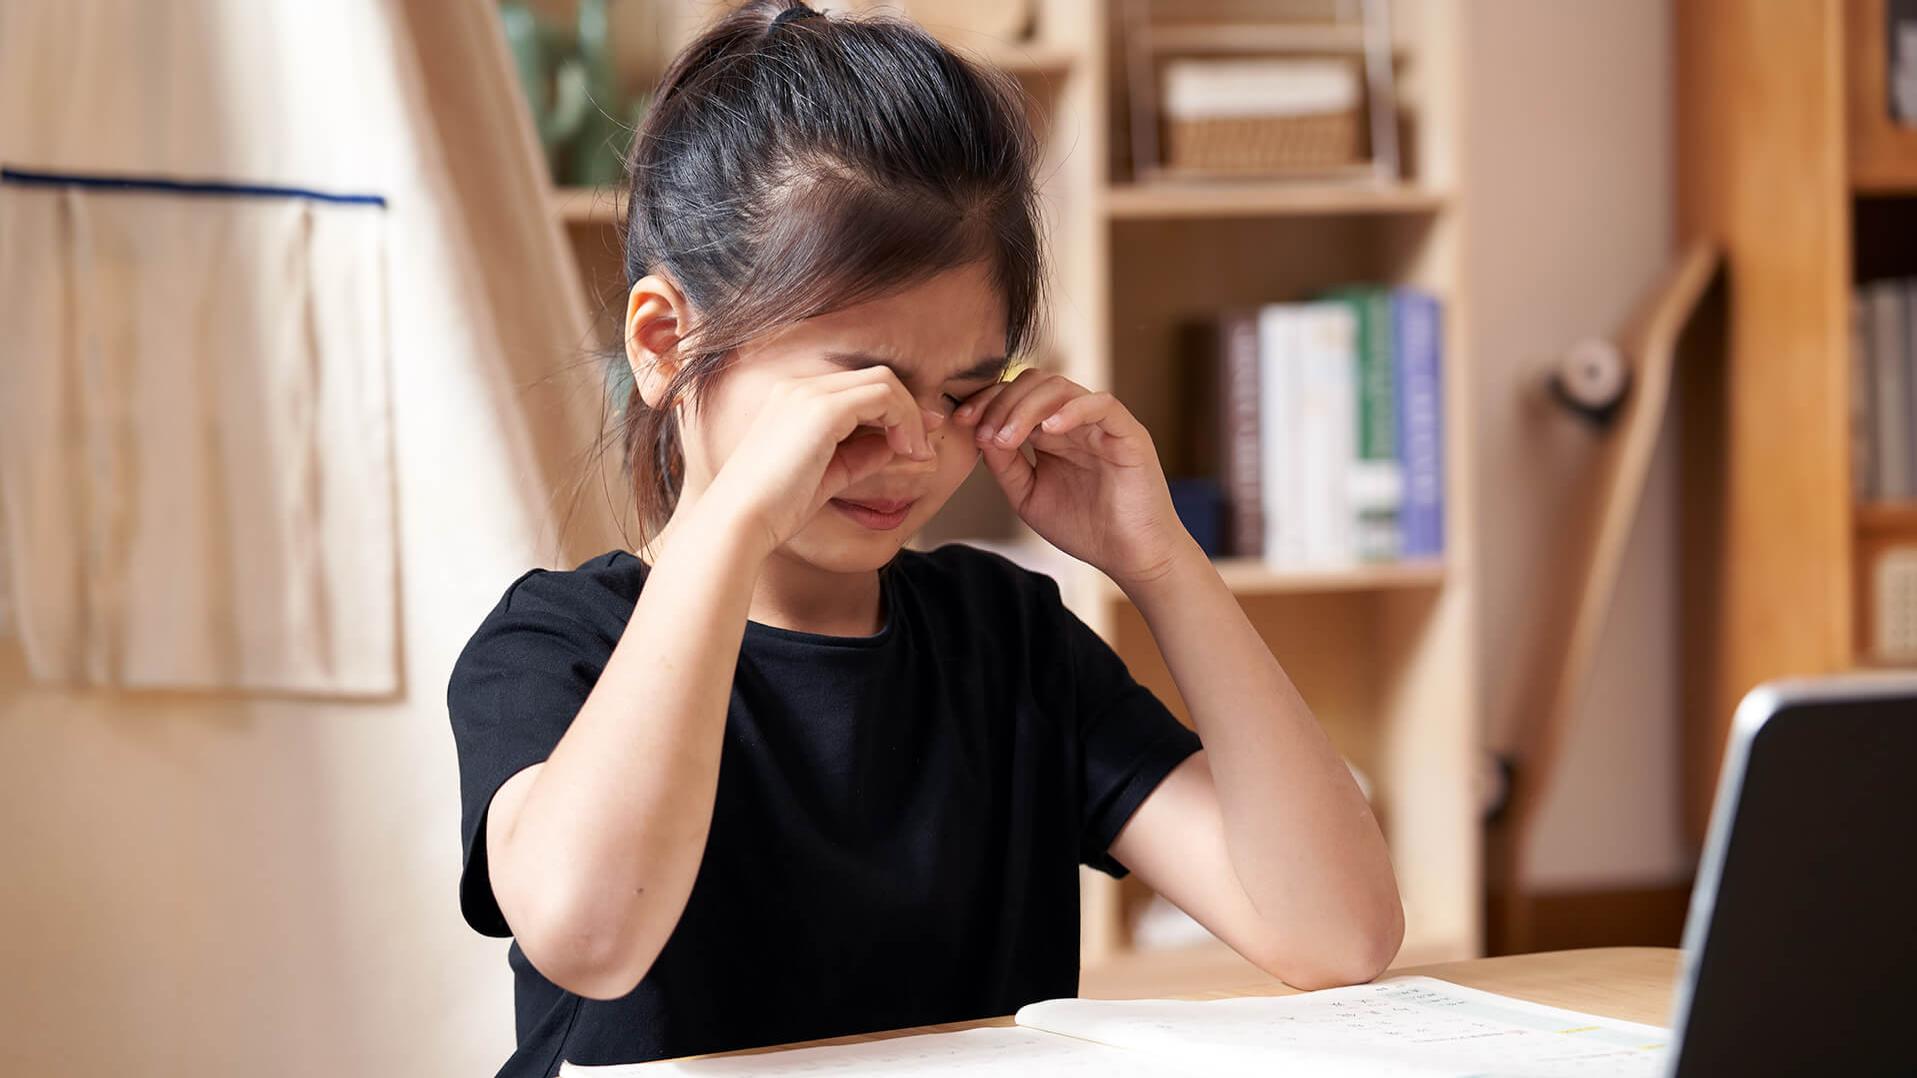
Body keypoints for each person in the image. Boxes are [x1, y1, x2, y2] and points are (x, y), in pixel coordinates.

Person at [446, 2, 1403, 1074]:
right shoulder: (552, 645)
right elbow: (589, 938)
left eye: (961, 391)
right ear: (667, 344)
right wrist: (735, 521)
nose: (913, 446)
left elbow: (1337, 933)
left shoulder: (1008, 641)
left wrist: (1163, 563)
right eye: (860, 389)